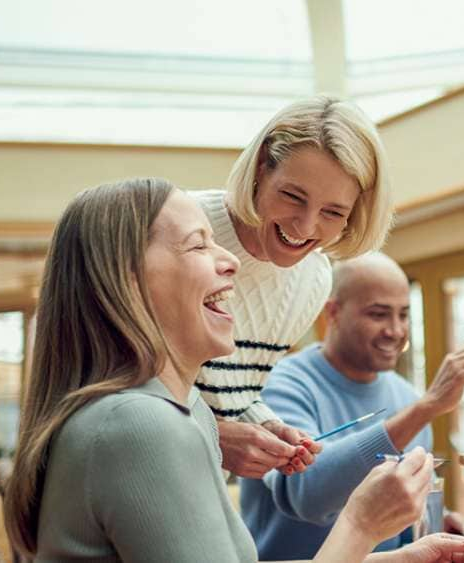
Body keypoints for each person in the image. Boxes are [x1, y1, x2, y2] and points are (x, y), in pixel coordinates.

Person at [3, 179, 464, 562]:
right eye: (198, 246)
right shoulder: (138, 426)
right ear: (127, 281)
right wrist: (360, 526)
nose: (231, 260)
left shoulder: (182, 410)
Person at [189, 96, 394, 478]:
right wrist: (214, 437)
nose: (304, 227)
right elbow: (115, 394)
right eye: (292, 196)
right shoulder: (180, 229)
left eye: (333, 213)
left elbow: (230, 395)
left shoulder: (313, 278)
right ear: (263, 165)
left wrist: (266, 424)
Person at [241, 252, 464, 560]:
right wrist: (425, 408)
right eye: (378, 314)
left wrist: (431, 518)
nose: (396, 330)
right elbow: (308, 495)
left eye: (403, 314)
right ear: (332, 313)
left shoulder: (406, 397)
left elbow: (391, 510)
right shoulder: (279, 384)